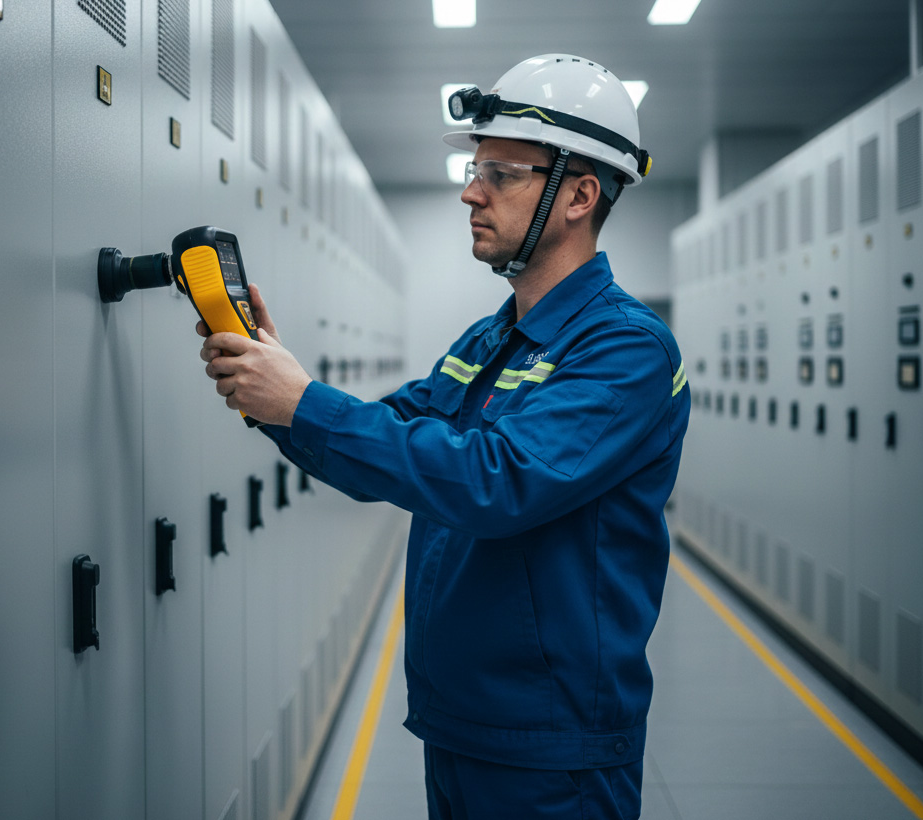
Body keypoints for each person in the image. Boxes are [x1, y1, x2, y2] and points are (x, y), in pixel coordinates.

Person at [198, 54, 689, 820]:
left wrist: (304, 404)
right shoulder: (490, 340)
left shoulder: (627, 349)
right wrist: (272, 392)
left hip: (551, 747)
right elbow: (392, 438)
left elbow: (497, 480)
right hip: (459, 720)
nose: (470, 191)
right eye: (474, 167)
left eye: (501, 173)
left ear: (579, 195)